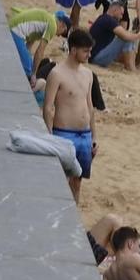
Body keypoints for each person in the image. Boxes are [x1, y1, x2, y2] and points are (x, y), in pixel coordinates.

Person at [42, 27, 97, 200]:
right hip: (64, 134)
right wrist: (49, 135)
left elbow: (90, 106)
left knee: (77, 181)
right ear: (73, 50)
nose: (89, 55)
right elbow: (48, 107)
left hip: (85, 135)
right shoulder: (57, 74)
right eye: (85, 51)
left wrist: (94, 137)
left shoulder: (88, 74)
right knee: (61, 180)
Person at [88, 0, 140, 72]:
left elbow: (125, 33)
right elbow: (125, 36)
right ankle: (130, 67)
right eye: (121, 13)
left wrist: (139, 34)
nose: (121, 17)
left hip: (99, 54)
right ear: (115, 10)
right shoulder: (109, 20)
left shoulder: (104, 18)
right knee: (127, 39)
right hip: (96, 58)